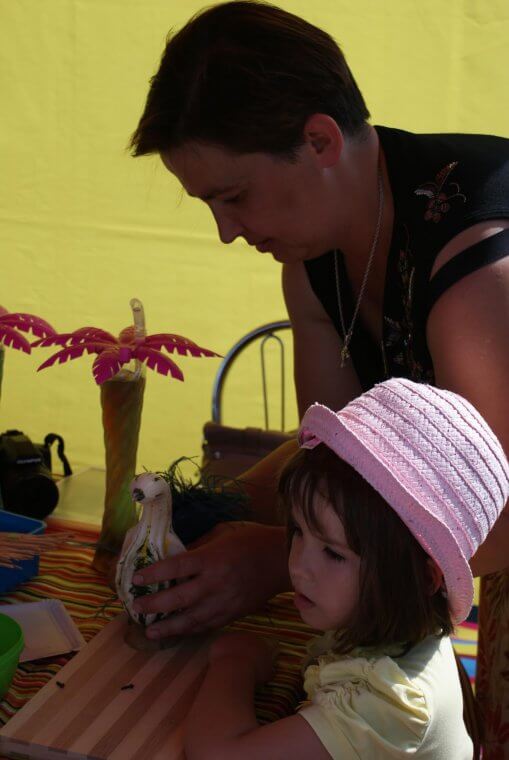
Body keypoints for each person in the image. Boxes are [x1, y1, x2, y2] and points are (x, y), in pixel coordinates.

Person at [128, 2, 509, 752]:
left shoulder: (479, 265)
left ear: (319, 140)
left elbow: (493, 521)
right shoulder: (312, 263)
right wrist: (210, 517)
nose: (226, 231)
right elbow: (338, 461)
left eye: (233, 196)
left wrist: (282, 557)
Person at [182, 378, 509, 759]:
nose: (298, 567)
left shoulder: (390, 702)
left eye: (333, 554)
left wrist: (235, 661)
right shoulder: (396, 627)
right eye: (297, 531)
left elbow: (218, 754)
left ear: (424, 577)